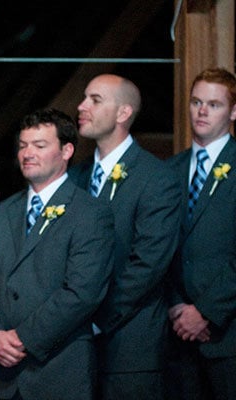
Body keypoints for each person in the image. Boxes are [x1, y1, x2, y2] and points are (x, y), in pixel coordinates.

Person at [0, 108, 115, 400]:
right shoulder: (3, 212)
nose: (27, 153)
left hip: (59, 372)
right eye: (23, 146)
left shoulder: (90, 213)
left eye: (39, 145)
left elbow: (82, 292)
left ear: (67, 150)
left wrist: (22, 339)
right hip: (5, 375)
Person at [69, 74, 181, 399]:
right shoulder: (76, 178)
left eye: (95, 99)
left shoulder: (157, 178)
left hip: (130, 347)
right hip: (74, 352)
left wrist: (94, 320)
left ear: (123, 113)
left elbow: (148, 264)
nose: (82, 106)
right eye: (84, 98)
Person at [165, 67, 236, 400]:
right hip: (177, 336)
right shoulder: (169, 171)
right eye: (196, 102)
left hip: (227, 333)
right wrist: (178, 307)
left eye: (214, 104)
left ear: (233, 111)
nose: (202, 111)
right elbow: (161, 247)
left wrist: (205, 311)